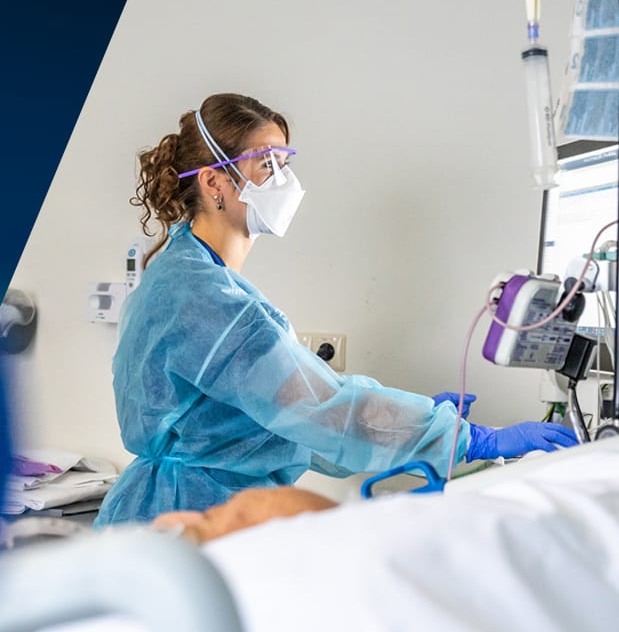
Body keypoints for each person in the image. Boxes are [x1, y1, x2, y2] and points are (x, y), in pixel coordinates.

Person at [96, 94, 577, 527]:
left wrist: (417, 418)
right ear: (213, 182)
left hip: (181, 514)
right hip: (192, 524)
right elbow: (324, 411)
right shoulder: (201, 296)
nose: (283, 180)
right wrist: (471, 440)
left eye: (285, 162)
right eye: (266, 164)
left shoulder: (186, 273)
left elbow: (284, 425)